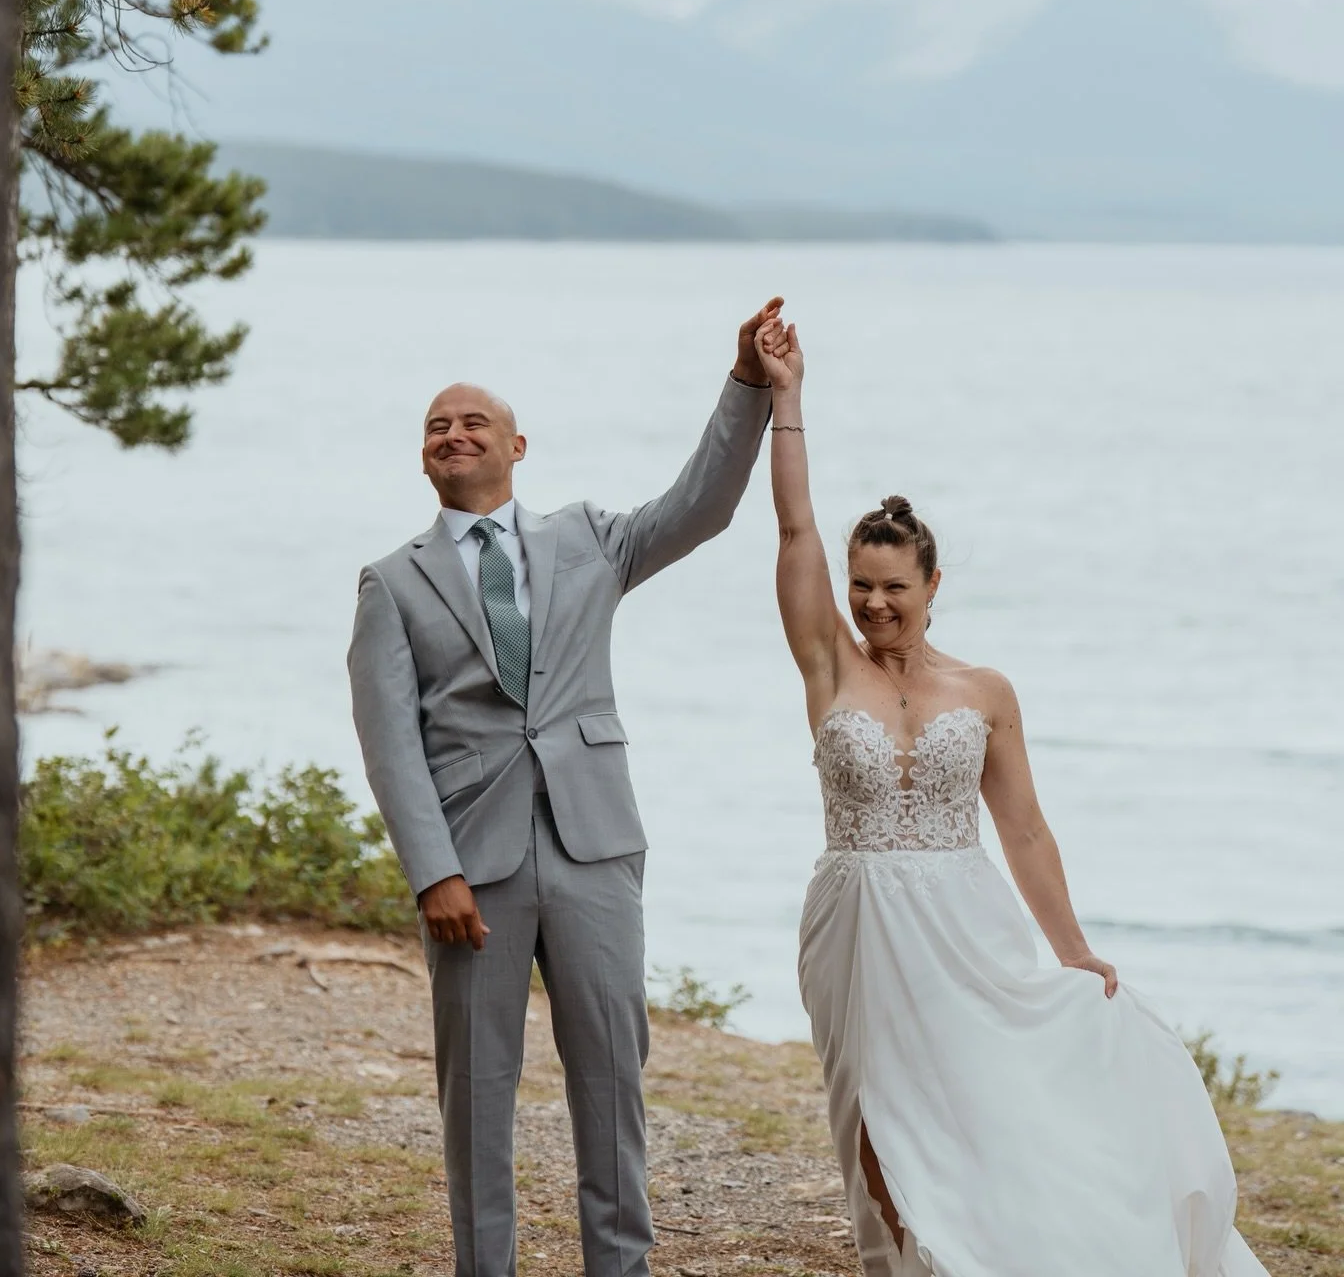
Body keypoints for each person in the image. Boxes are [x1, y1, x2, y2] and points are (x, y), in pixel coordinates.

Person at [751, 311, 1268, 1277]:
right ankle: (902, 1261)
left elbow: (1023, 828)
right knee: (871, 1118)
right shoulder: (828, 668)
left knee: (978, 1102)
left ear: (934, 582)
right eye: (860, 586)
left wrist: (1071, 948)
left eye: (892, 587)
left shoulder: (984, 693)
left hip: (964, 918)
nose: (872, 604)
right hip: (856, 918)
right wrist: (788, 399)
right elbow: (794, 528)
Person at [347, 300, 778, 1277]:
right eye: (435, 426)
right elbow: (389, 745)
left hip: (595, 850)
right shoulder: (391, 583)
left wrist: (747, 383)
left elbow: (701, 506)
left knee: (613, 1081)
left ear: (517, 445)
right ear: (424, 458)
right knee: (478, 1096)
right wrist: (432, 872)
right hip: (472, 869)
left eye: (473, 422)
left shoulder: (592, 539)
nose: (452, 434)